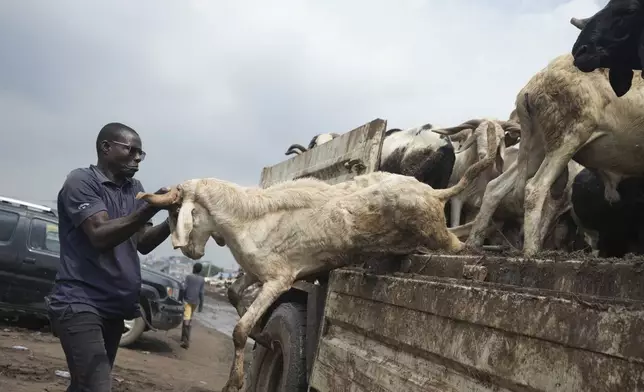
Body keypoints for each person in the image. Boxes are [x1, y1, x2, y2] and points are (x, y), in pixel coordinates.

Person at [46, 122, 171, 392]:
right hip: (80, 303)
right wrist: (151, 207)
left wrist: (174, 219)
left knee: (85, 386)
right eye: (131, 150)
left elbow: (144, 242)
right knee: (96, 386)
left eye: (141, 153)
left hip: (114, 308)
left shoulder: (133, 187)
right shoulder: (82, 182)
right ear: (106, 147)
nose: (138, 157)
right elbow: (99, 234)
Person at [180, 262, 205, 349]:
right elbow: (201, 293)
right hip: (195, 302)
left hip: (187, 300)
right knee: (189, 319)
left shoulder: (189, 277)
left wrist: (180, 298)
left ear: (194, 268)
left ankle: (186, 342)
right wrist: (201, 305)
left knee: (186, 319)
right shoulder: (202, 279)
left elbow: (184, 288)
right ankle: (183, 338)